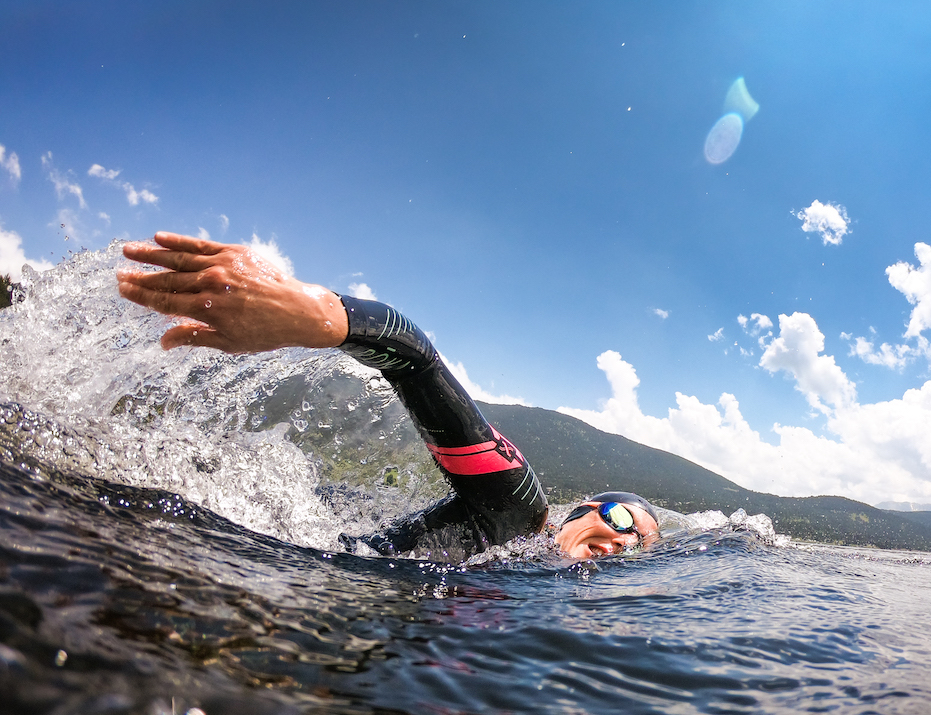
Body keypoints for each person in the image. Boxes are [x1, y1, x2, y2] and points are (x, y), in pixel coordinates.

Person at [117, 232, 660, 560]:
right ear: (583, 509)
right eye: (620, 519)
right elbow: (419, 360)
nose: (623, 541)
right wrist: (314, 313)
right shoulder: (516, 515)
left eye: (640, 545)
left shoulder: (537, 588)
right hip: (247, 557)